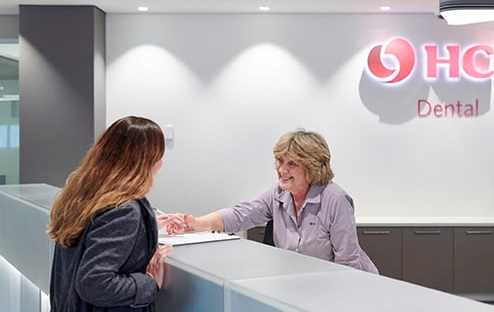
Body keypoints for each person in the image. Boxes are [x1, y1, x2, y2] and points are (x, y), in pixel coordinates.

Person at [167, 129, 379, 274]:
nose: (282, 169)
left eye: (292, 163)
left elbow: (347, 264)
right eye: (280, 161)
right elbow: (242, 214)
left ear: (313, 167)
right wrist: (195, 224)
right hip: (305, 284)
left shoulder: (335, 199)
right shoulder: (278, 193)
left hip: (346, 286)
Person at [47, 116, 177, 311]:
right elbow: (94, 283)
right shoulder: (124, 210)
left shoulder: (84, 195)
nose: (161, 163)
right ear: (146, 160)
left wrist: (145, 227)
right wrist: (148, 283)